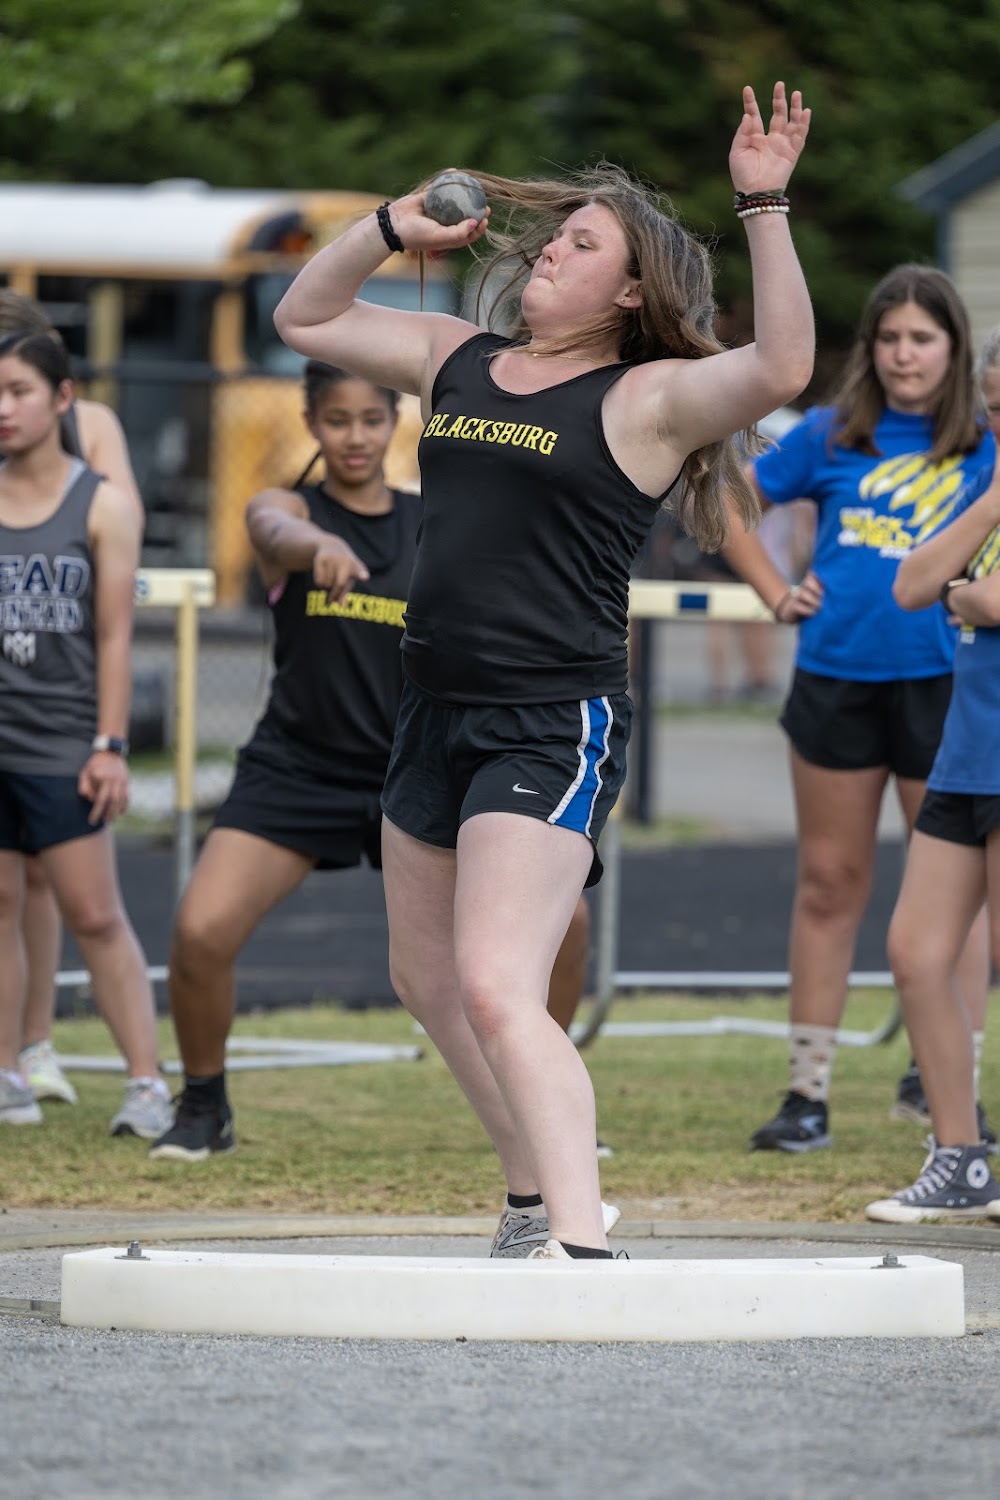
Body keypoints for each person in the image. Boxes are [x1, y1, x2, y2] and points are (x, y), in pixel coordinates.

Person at [272, 82, 813, 1259]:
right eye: (554, 236)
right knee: (428, 982)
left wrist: (762, 204)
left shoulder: (646, 400)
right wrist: (388, 226)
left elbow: (780, 366)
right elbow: (305, 318)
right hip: (431, 707)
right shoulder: (457, 357)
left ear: (629, 293)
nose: (549, 252)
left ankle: (581, 1245)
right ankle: (531, 1197)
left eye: (583, 244)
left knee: (494, 985)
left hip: (547, 720)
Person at [150, 360, 603, 1199]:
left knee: (567, 922)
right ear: (311, 425)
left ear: (395, 423)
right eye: (337, 420)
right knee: (201, 931)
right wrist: (319, 547)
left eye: (370, 419)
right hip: (302, 763)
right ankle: (204, 1105)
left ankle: (543, 1097)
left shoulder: (433, 521)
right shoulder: (290, 513)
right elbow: (268, 524)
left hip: (426, 763)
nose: (355, 437)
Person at [722, 265, 996, 1155]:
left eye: (922, 338)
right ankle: (806, 1093)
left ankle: (945, 1084)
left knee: (955, 901)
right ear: (869, 349)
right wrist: (774, 589)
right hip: (837, 680)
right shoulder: (831, 433)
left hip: (946, 690)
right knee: (830, 883)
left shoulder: (985, 443)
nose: (904, 354)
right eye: (889, 338)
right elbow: (725, 499)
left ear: (953, 347)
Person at [0, 330, 171, 1134]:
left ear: (62, 398)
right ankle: (9, 1075)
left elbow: (114, 637)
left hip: (64, 743)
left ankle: (147, 1085)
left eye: (19, 391)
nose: (4, 409)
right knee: (2, 904)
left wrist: (109, 746)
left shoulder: (101, 503)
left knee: (95, 914)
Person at [866, 326, 1000, 1221]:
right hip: (966, 758)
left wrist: (971, 598)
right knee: (916, 953)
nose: (999, 420)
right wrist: (991, 505)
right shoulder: (987, 492)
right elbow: (914, 585)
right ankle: (961, 1160)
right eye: (995, 406)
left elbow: (988, 599)